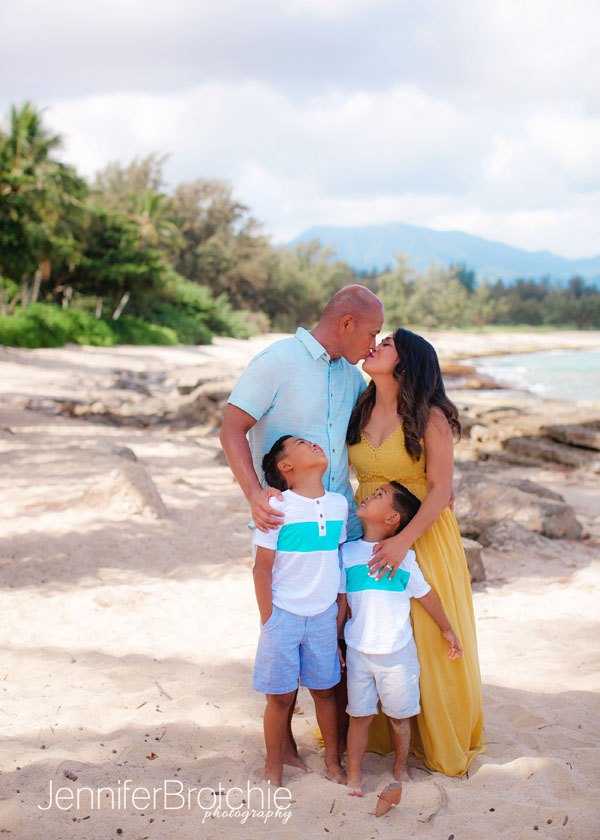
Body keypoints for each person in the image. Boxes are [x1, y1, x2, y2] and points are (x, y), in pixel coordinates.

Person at [346, 328, 486, 777]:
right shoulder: (360, 406)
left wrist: (402, 541)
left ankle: (434, 736)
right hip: (370, 529)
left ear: (406, 363)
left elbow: (442, 489)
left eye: (385, 345)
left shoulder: (430, 416)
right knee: (374, 625)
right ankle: (381, 732)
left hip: (420, 532)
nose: (374, 347)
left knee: (424, 633)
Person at [338, 481, 462, 796]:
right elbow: (341, 603)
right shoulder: (348, 553)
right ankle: (354, 775)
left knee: (399, 716)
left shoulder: (403, 558)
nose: (369, 495)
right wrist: (335, 640)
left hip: (397, 654)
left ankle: (401, 768)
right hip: (358, 652)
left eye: (380, 496)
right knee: (359, 715)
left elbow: (425, 594)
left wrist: (446, 628)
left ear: (393, 519)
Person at [252, 434, 348, 786]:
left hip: (323, 616)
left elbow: (336, 560)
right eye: (300, 442)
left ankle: (333, 762)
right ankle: (273, 766)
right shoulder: (277, 505)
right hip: (284, 616)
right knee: (280, 697)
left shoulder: (338, 504)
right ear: (286, 466)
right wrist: (270, 620)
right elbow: (261, 568)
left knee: (324, 691)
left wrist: (339, 612)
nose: (313, 443)